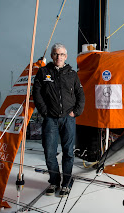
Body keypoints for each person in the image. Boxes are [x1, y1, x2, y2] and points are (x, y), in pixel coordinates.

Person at [33, 43, 85, 197]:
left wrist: (76, 112)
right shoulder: (43, 72)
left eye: (62, 54)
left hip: (68, 119)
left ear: (66, 57)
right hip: (51, 119)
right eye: (56, 54)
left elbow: (80, 95)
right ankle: (54, 181)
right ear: (52, 56)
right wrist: (44, 112)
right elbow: (36, 93)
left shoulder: (72, 74)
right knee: (49, 152)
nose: (59, 57)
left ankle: (66, 183)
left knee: (68, 152)